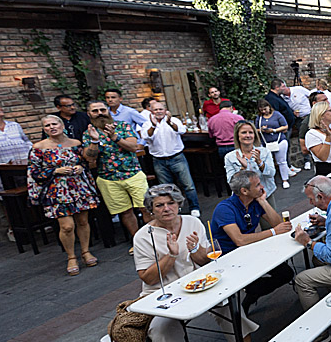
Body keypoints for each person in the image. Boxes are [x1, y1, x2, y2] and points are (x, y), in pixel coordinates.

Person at [134, 183, 258, 342]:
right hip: (161, 293)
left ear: (179, 203)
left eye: (171, 203)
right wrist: (170, 255)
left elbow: (205, 262)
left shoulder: (192, 223)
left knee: (231, 308)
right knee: (160, 329)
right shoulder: (143, 237)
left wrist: (194, 250)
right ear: (150, 210)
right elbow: (147, 277)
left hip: (197, 283)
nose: (166, 209)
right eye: (159, 205)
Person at [210, 169, 295, 313]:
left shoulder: (254, 202)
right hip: (231, 258)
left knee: (286, 273)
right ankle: (248, 297)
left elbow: (277, 223)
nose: (262, 187)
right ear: (244, 191)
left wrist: (263, 201)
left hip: (252, 250)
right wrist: (273, 232)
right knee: (254, 285)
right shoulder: (224, 209)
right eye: (257, 185)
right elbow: (239, 240)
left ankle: (252, 295)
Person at [27, 114, 100, 274]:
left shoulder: (75, 143)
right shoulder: (39, 147)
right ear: (44, 129)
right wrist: (55, 170)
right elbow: (34, 172)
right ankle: (71, 257)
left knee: (83, 221)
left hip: (79, 186)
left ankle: (86, 251)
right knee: (67, 226)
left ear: (62, 126)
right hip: (57, 190)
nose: (52, 127)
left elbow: (86, 160)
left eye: (55, 124)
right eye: (47, 125)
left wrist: (81, 167)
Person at [291, 175, 331, 342]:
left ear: (321, 196)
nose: (311, 204)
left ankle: (319, 333)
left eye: (311, 199)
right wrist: (325, 223)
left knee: (301, 280)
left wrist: (308, 242)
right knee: (317, 259)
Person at [81, 100, 147, 241]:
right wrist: (94, 141)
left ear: (108, 111)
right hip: (108, 178)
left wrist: (115, 137)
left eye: (102, 110)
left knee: (145, 207)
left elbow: (133, 147)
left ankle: (157, 239)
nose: (99, 113)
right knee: (125, 212)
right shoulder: (89, 133)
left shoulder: (122, 126)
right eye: (95, 111)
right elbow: (89, 157)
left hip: (132, 173)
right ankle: (139, 242)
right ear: (89, 114)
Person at [139, 100, 201, 216]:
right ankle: (175, 209)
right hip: (159, 161)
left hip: (177, 157)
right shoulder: (147, 124)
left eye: (160, 109)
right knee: (166, 189)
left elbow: (182, 130)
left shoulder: (174, 120)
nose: (158, 112)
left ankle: (194, 207)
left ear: (165, 110)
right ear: (151, 111)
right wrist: (153, 125)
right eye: (155, 110)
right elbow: (146, 136)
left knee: (188, 185)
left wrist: (170, 123)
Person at [223, 121, 277, 211]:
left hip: (265, 194)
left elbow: (271, 173)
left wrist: (260, 162)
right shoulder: (230, 157)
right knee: (247, 224)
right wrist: (242, 169)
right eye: (244, 132)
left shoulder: (264, 152)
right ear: (237, 136)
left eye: (251, 132)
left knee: (271, 225)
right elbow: (232, 183)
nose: (248, 135)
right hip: (244, 199)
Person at [254, 99, 294, 190]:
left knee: (281, 161)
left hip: (279, 140)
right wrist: (262, 129)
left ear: (269, 107)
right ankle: (270, 181)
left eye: (265, 109)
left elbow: (285, 126)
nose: (264, 111)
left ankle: (285, 180)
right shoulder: (259, 118)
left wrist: (274, 130)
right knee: (267, 162)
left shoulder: (277, 114)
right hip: (266, 142)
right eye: (262, 110)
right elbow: (256, 129)